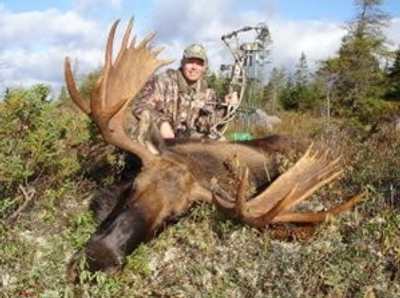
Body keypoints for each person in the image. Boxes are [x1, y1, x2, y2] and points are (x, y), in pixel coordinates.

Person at [130, 43, 238, 139]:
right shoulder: (163, 82)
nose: (194, 67)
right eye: (190, 61)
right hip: (160, 139)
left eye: (199, 63)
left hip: (185, 142)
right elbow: (140, 105)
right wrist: (162, 123)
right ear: (182, 63)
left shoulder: (207, 92)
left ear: (204, 67)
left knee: (220, 141)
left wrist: (227, 109)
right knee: (144, 129)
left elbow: (206, 124)